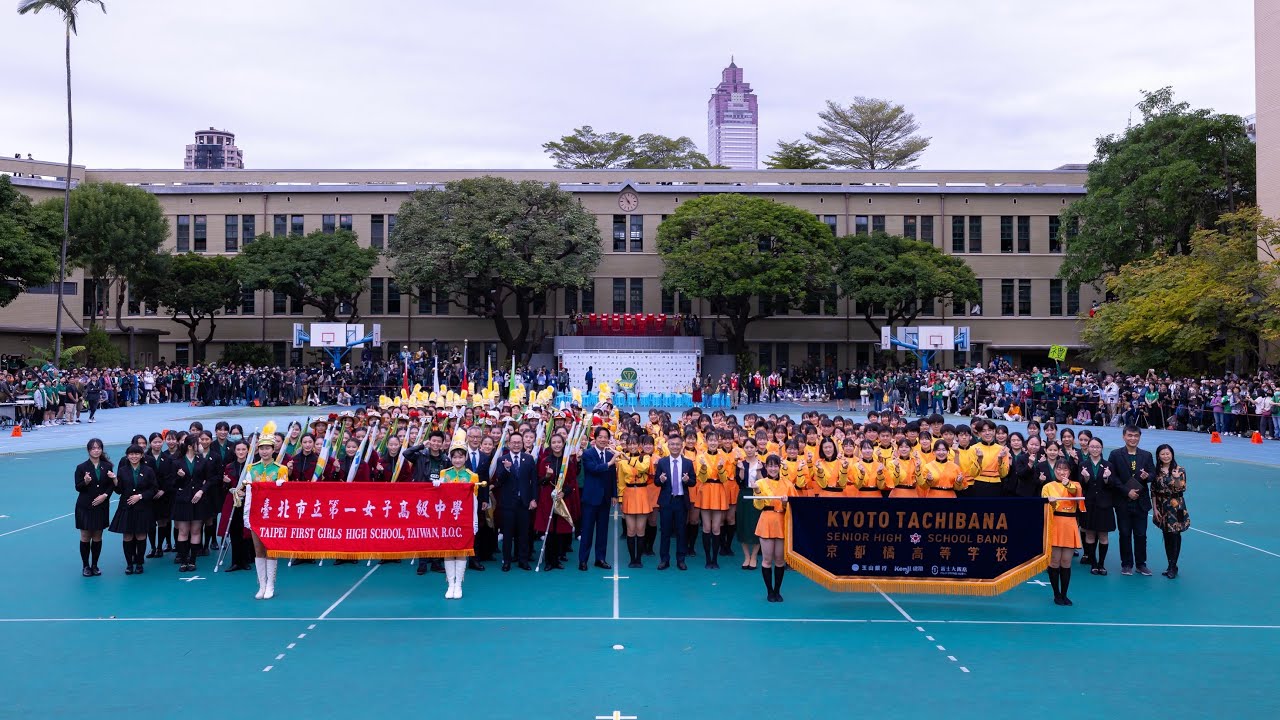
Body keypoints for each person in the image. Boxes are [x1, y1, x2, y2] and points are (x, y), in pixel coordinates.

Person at [232, 436, 288, 599]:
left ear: (273, 450)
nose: (264, 451)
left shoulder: (280, 469)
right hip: (256, 513)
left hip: (272, 515)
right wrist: (240, 492)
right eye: (261, 448)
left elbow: (284, 493)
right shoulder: (251, 468)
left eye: (268, 448)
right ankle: (261, 585)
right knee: (258, 549)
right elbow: (244, 488)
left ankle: (271, 584)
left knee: (270, 549)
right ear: (258, 450)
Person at [1107, 425, 1156, 576]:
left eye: (1136, 436)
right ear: (1124, 436)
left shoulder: (1146, 455)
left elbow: (1153, 474)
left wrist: (1146, 477)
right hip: (1123, 501)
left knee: (1141, 534)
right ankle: (1126, 564)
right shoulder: (1115, 454)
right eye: (1130, 435)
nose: (1133, 438)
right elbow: (1112, 477)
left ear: (1139, 437)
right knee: (1125, 533)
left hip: (1141, 502)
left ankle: (1141, 564)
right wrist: (1127, 491)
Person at [534, 432, 580, 571]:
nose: (556, 445)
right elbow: (540, 481)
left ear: (563, 443)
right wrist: (547, 476)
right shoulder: (545, 461)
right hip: (548, 498)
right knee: (549, 530)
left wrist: (563, 492)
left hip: (562, 498)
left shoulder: (568, 462)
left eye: (559, 442)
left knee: (559, 530)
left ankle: (557, 559)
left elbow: (572, 481)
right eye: (553, 442)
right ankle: (549, 560)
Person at [439, 441, 480, 598]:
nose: (457, 460)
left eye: (460, 457)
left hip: (464, 519)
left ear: (466, 458)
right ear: (451, 458)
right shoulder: (445, 474)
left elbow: (474, 500)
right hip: (447, 518)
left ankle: (458, 584)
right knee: (448, 550)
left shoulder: (472, 476)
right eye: (454, 457)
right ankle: (450, 584)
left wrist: (473, 520)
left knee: (462, 549)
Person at [109, 444, 157, 575]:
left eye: (137, 454)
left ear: (142, 455)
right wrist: (114, 480)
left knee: (141, 534)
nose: (134, 456)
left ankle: (140, 563)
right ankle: (129, 564)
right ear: (127, 456)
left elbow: (154, 489)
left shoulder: (148, 470)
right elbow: (119, 491)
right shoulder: (123, 470)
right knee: (128, 535)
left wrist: (140, 496)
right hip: (126, 507)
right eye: (131, 454)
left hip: (143, 507)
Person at [1041, 459, 1083, 606]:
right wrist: (1051, 503)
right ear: (1054, 470)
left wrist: (1067, 484)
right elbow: (1045, 509)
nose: (1061, 472)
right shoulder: (1047, 486)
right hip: (1055, 523)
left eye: (1065, 469)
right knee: (1054, 561)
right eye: (1059, 469)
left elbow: (1074, 492)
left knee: (1066, 561)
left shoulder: (1076, 485)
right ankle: (1056, 594)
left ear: (1069, 472)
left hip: (1070, 524)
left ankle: (1064, 594)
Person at [170, 434, 214, 573]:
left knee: (196, 531)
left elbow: (210, 479)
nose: (200, 445)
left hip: (199, 500)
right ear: (190, 446)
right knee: (183, 531)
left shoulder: (203, 461)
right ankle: (183, 561)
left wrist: (201, 491)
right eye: (198, 443)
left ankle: (193, 560)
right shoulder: (177, 462)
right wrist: (179, 477)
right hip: (183, 500)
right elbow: (172, 483)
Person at [493, 432, 536, 571]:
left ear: (522, 443)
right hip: (507, 503)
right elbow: (499, 480)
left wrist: (534, 499)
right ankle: (506, 561)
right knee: (507, 534)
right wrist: (506, 468)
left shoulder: (529, 459)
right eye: (514, 442)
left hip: (524, 502)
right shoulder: (502, 460)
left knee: (524, 533)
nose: (516, 444)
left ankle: (523, 560)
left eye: (519, 442)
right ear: (509, 444)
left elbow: (534, 482)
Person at [579, 426, 619, 571]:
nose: (603, 439)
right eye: (600, 437)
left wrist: (614, 494)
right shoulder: (588, 454)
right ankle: (583, 560)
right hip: (590, 498)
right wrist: (609, 463)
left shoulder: (609, 455)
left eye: (605, 437)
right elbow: (594, 469)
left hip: (605, 499)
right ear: (594, 439)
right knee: (587, 530)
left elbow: (612, 476)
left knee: (603, 531)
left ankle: (600, 559)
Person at [74, 439, 114, 577]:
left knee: (97, 536)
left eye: (98, 448)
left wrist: (105, 495)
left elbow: (111, 485)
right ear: (88, 450)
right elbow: (77, 487)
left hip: (101, 505)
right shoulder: (81, 467)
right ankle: (85, 565)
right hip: (85, 506)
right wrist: (85, 482)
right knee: (85, 536)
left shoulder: (107, 466)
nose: (96, 450)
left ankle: (95, 565)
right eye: (93, 448)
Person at [754, 454, 791, 602]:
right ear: (766, 467)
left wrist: (784, 503)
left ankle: (777, 590)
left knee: (780, 560)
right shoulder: (760, 483)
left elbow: (792, 508)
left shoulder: (788, 484)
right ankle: (769, 591)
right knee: (767, 559)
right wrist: (756, 492)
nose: (773, 468)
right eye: (770, 465)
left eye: (775, 465)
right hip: (766, 521)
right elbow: (757, 505)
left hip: (781, 521)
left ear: (779, 467)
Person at [654, 433, 693, 570]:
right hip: (666, 502)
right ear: (668, 446)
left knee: (681, 532)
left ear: (682, 446)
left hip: (681, 502)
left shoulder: (688, 463)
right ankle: (664, 559)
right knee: (665, 532)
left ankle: (681, 559)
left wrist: (688, 481)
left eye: (677, 444)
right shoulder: (662, 462)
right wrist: (661, 480)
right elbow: (656, 482)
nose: (675, 447)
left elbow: (693, 482)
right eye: (672, 444)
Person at [1151, 443, 1190, 579]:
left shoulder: (1180, 470)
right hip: (1162, 506)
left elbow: (1182, 489)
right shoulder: (1157, 471)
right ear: (1158, 456)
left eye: (1168, 453)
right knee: (1166, 535)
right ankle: (1169, 564)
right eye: (1163, 454)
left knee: (1175, 535)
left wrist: (1176, 478)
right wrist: (1155, 508)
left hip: (1176, 506)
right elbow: (1154, 491)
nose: (1165, 456)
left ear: (1172, 454)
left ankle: (1173, 565)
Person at [1077, 437, 1115, 575]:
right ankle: (1093, 563)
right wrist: (1085, 478)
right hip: (1089, 504)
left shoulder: (1108, 465)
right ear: (1088, 447)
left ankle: (1101, 564)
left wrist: (1106, 478)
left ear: (1102, 448)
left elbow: (1112, 485)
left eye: (1097, 447)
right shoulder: (1083, 464)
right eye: (1092, 446)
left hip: (1104, 505)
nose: (1094, 449)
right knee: (1090, 534)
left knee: (1103, 536)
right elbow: (1081, 485)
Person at [617, 433, 653, 569]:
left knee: (640, 529)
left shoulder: (646, 458)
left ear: (639, 445)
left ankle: (639, 558)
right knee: (631, 530)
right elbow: (620, 483)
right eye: (629, 444)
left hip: (642, 494)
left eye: (634, 443)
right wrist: (620, 500)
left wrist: (629, 459)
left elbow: (643, 468)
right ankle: (632, 559)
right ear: (626, 445)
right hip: (629, 494)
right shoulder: (621, 462)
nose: (632, 446)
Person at [221, 440, 253, 572]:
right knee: (234, 532)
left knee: (245, 531)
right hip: (233, 503)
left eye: (243, 449)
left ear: (248, 451)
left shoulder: (252, 467)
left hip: (248, 503)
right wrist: (227, 484)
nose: (241, 452)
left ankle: (245, 560)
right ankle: (235, 562)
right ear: (235, 451)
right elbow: (224, 488)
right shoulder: (229, 467)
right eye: (238, 449)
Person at [735, 439, 764, 570]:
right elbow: (739, 481)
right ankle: (746, 556)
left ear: (756, 448)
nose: (749, 449)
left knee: (756, 524)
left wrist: (758, 471)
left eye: (752, 447)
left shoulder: (761, 464)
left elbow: (763, 482)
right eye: (747, 447)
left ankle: (754, 556)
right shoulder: (740, 463)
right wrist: (741, 469)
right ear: (743, 448)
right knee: (743, 524)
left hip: (757, 494)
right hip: (744, 495)